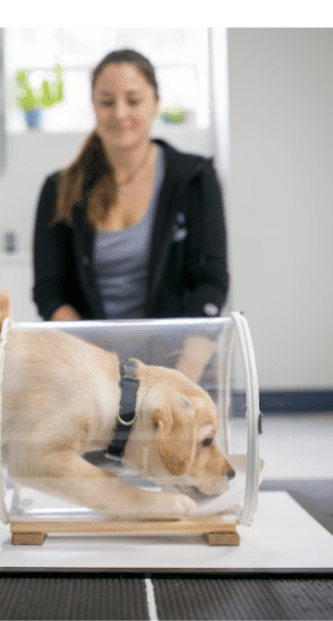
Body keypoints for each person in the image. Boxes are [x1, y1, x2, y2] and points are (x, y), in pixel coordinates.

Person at [32, 49, 228, 380]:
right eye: (107, 102)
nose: (120, 113)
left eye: (133, 100)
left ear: (156, 102)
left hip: (179, 363)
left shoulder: (194, 180)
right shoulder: (60, 189)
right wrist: (100, 373)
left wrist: (176, 384)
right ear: (94, 106)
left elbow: (210, 285)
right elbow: (51, 294)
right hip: (91, 370)